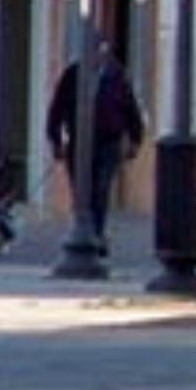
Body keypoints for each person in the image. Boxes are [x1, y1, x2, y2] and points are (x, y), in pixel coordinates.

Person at [45, 43, 145, 253]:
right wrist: (55, 139)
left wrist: (136, 139)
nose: (97, 58)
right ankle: (82, 229)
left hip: (108, 142)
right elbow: (58, 108)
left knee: (101, 188)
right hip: (79, 142)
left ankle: (96, 234)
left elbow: (130, 108)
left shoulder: (116, 77)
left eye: (101, 53)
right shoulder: (73, 75)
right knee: (82, 191)